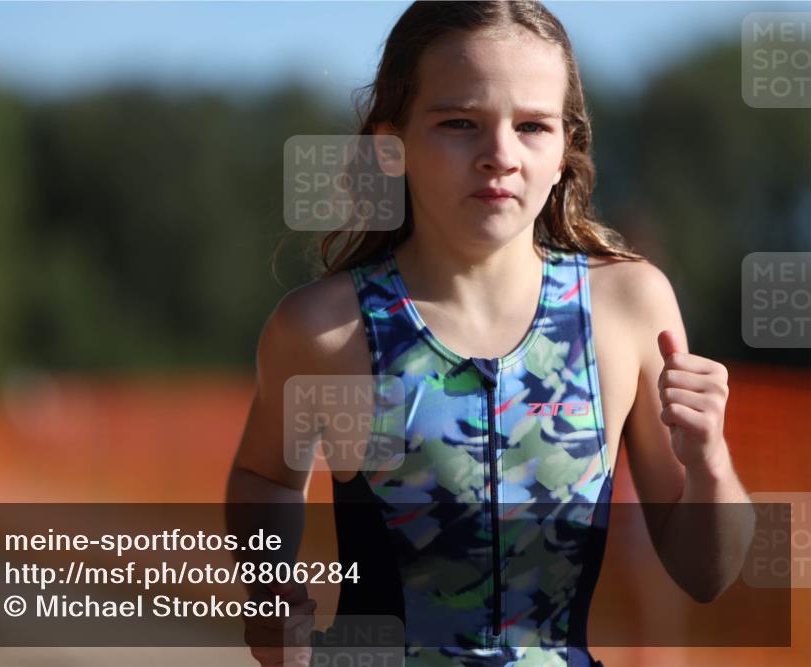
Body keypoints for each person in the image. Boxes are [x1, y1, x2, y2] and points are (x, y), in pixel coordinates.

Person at [227, 2, 754, 666]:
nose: (499, 155)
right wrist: (269, 589)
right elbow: (264, 477)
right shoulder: (325, 330)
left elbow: (707, 575)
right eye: (458, 123)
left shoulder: (629, 306)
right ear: (392, 148)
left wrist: (710, 462)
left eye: (532, 125)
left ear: (566, 150)